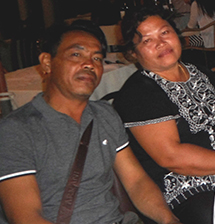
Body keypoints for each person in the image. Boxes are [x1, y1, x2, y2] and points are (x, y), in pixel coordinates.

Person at [0, 21, 180, 224]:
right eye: (76, 54)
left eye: (97, 58)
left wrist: (168, 220)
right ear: (47, 63)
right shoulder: (17, 130)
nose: (89, 64)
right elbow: (25, 216)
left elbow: (137, 182)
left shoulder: (104, 114)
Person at [112, 7, 215, 224]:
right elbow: (172, 156)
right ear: (133, 53)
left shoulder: (199, 71)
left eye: (165, 32)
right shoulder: (138, 92)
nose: (160, 43)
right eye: (147, 40)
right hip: (185, 188)